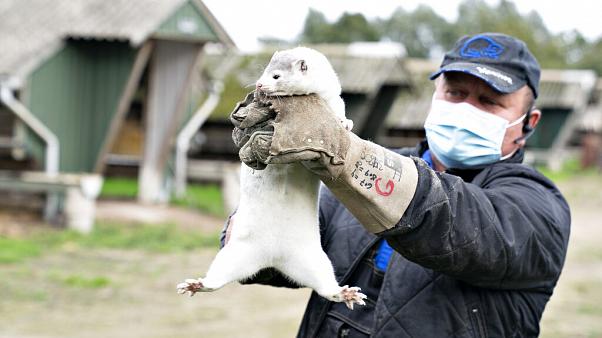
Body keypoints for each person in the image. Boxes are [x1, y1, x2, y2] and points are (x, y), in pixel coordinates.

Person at [225, 32, 571, 338]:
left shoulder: (539, 207)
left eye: (489, 101)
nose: (466, 108)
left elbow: (455, 220)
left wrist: (344, 154)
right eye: (456, 92)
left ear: (530, 123)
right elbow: (281, 261)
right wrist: (260, 207)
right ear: (435, 95)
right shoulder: (363, 170)